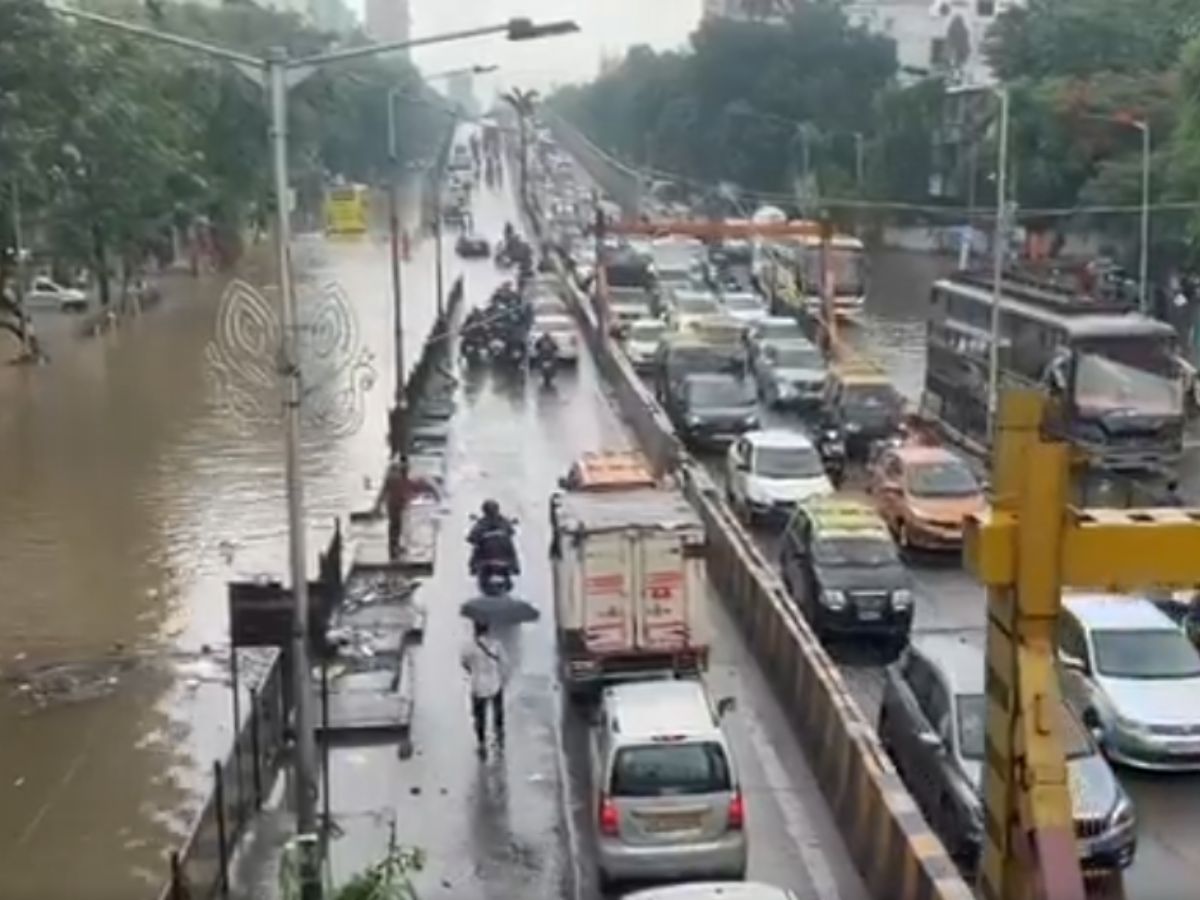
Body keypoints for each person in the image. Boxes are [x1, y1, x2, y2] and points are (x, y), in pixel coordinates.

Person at [461, 620, 508, 756]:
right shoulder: (496, 645)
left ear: (475, 630)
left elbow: (464, 662)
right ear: (488, 630)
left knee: (479, 716)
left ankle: (481, 743)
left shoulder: (469, 647)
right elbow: (504, 661)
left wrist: (472, 669)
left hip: (478, 687)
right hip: (495, 684)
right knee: (498, 714)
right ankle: (499, 739)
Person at [383, 458, 440, 561]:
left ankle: (394, 548)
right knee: (396, 527)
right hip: (396, 506)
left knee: (396, 527)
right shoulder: (400, 480)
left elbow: (387, 490)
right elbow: (418, 486)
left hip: (395, 505)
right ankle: (394, 549)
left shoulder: (395, 479)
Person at [468, 499, 518, 576]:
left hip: (487, 557)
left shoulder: (482, 522)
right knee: (510, 546)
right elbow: (511, 532)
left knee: (477, 548)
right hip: (502, 555)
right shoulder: (503, 521)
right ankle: (515, 566)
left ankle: (473, 567)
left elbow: (472, 537)